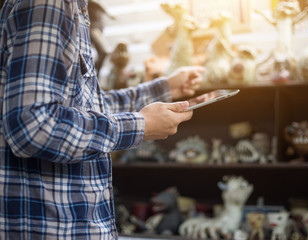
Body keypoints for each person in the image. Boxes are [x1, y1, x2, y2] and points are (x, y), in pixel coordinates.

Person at [0, 1, 205, 239]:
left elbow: (87, 107)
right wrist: (140, 125)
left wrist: (165, 88)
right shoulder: (50, 4)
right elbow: (33, 125)